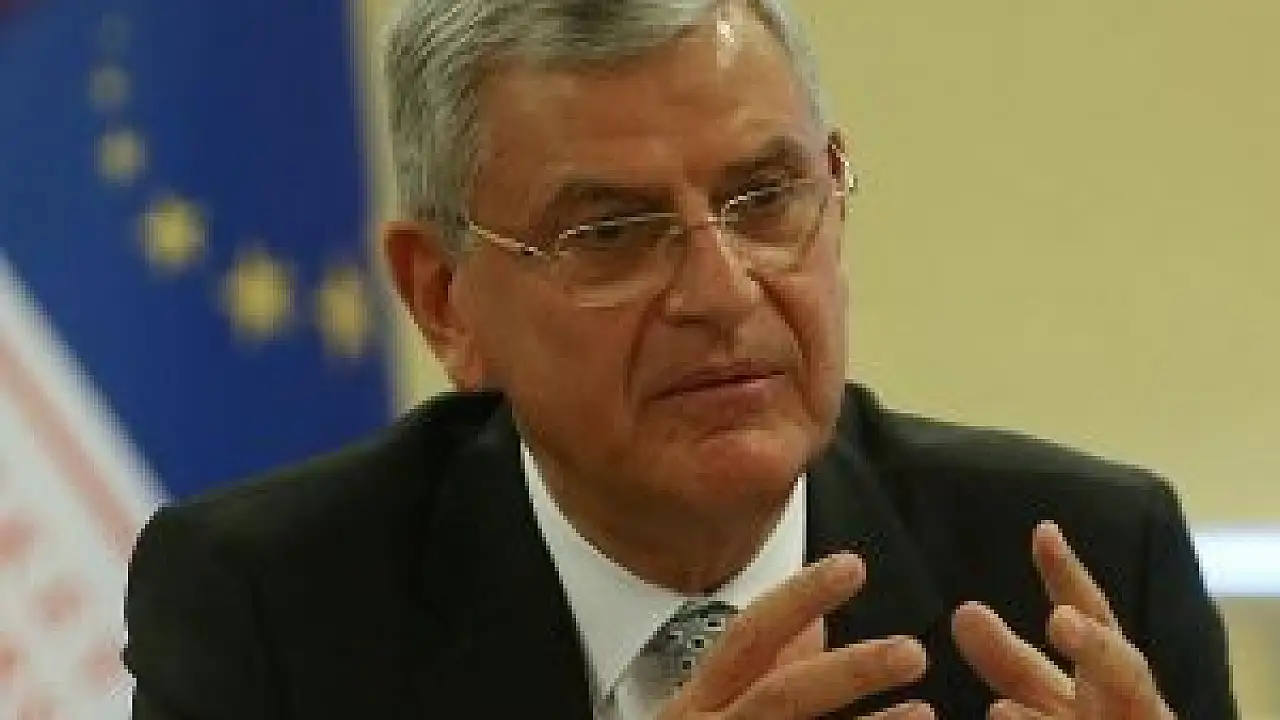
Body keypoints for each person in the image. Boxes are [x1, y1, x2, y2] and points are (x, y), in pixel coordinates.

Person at [122, 1, 1238, 718]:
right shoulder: (272, 608)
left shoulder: (1086, 571)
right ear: (443, 298)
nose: (720, 290)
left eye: (766, 199)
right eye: (610, 231)